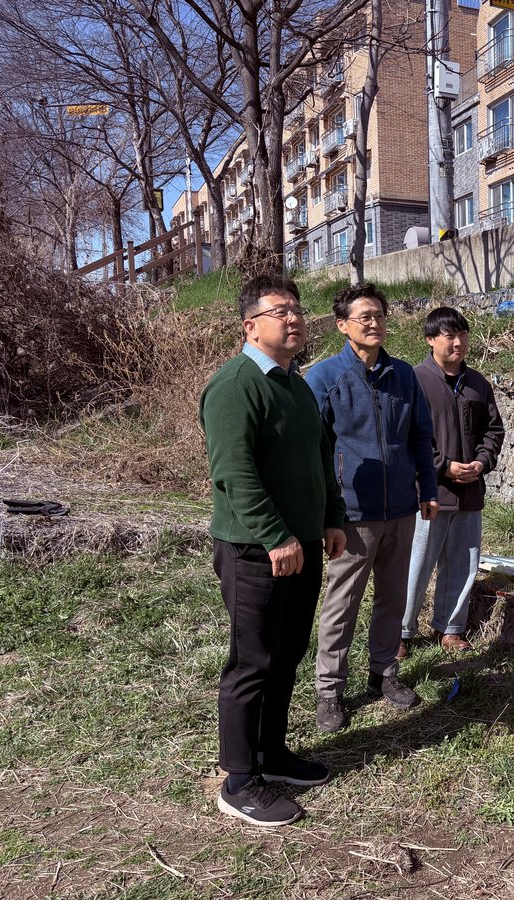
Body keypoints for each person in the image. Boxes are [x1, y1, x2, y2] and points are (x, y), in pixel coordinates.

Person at [200, 274, 347, 827]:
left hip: (301, 544)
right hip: (254, 548)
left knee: (286, 654)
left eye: (297, 310)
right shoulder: (235, 385)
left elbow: (320, 458)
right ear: (250, 326)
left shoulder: (296, 385)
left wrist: (330, 519)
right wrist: (275, 536)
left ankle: (272, 753)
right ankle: (239, 779)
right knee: (253, 661)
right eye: (280, 311)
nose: (294, 318)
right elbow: (234, 473)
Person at [306, 284, 438, 733]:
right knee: (342, 602)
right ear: (342, 325)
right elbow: (314, 450)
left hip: (400, 507)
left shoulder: (404, 375)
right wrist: (327, 512)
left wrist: (427, 489)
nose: (374, 322)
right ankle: (329, 691)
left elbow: (420, 437)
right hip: (351, 514)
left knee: (392, 597)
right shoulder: (324, 378)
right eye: (364, 316)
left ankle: (384, 673)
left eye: (379, 315)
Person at [402, 307, 504, 655]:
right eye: (449, 335)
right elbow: (407, 435)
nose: (458, 342)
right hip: (427, 492)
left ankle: (450, 629)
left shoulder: (478, 383)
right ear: (430, 339)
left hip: (469, 491)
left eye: (463, 334)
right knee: (416, 565)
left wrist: (481, 462)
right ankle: (401, 632)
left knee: (463, 564)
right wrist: (443, 467)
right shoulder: (414, 380)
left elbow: (493, 430)